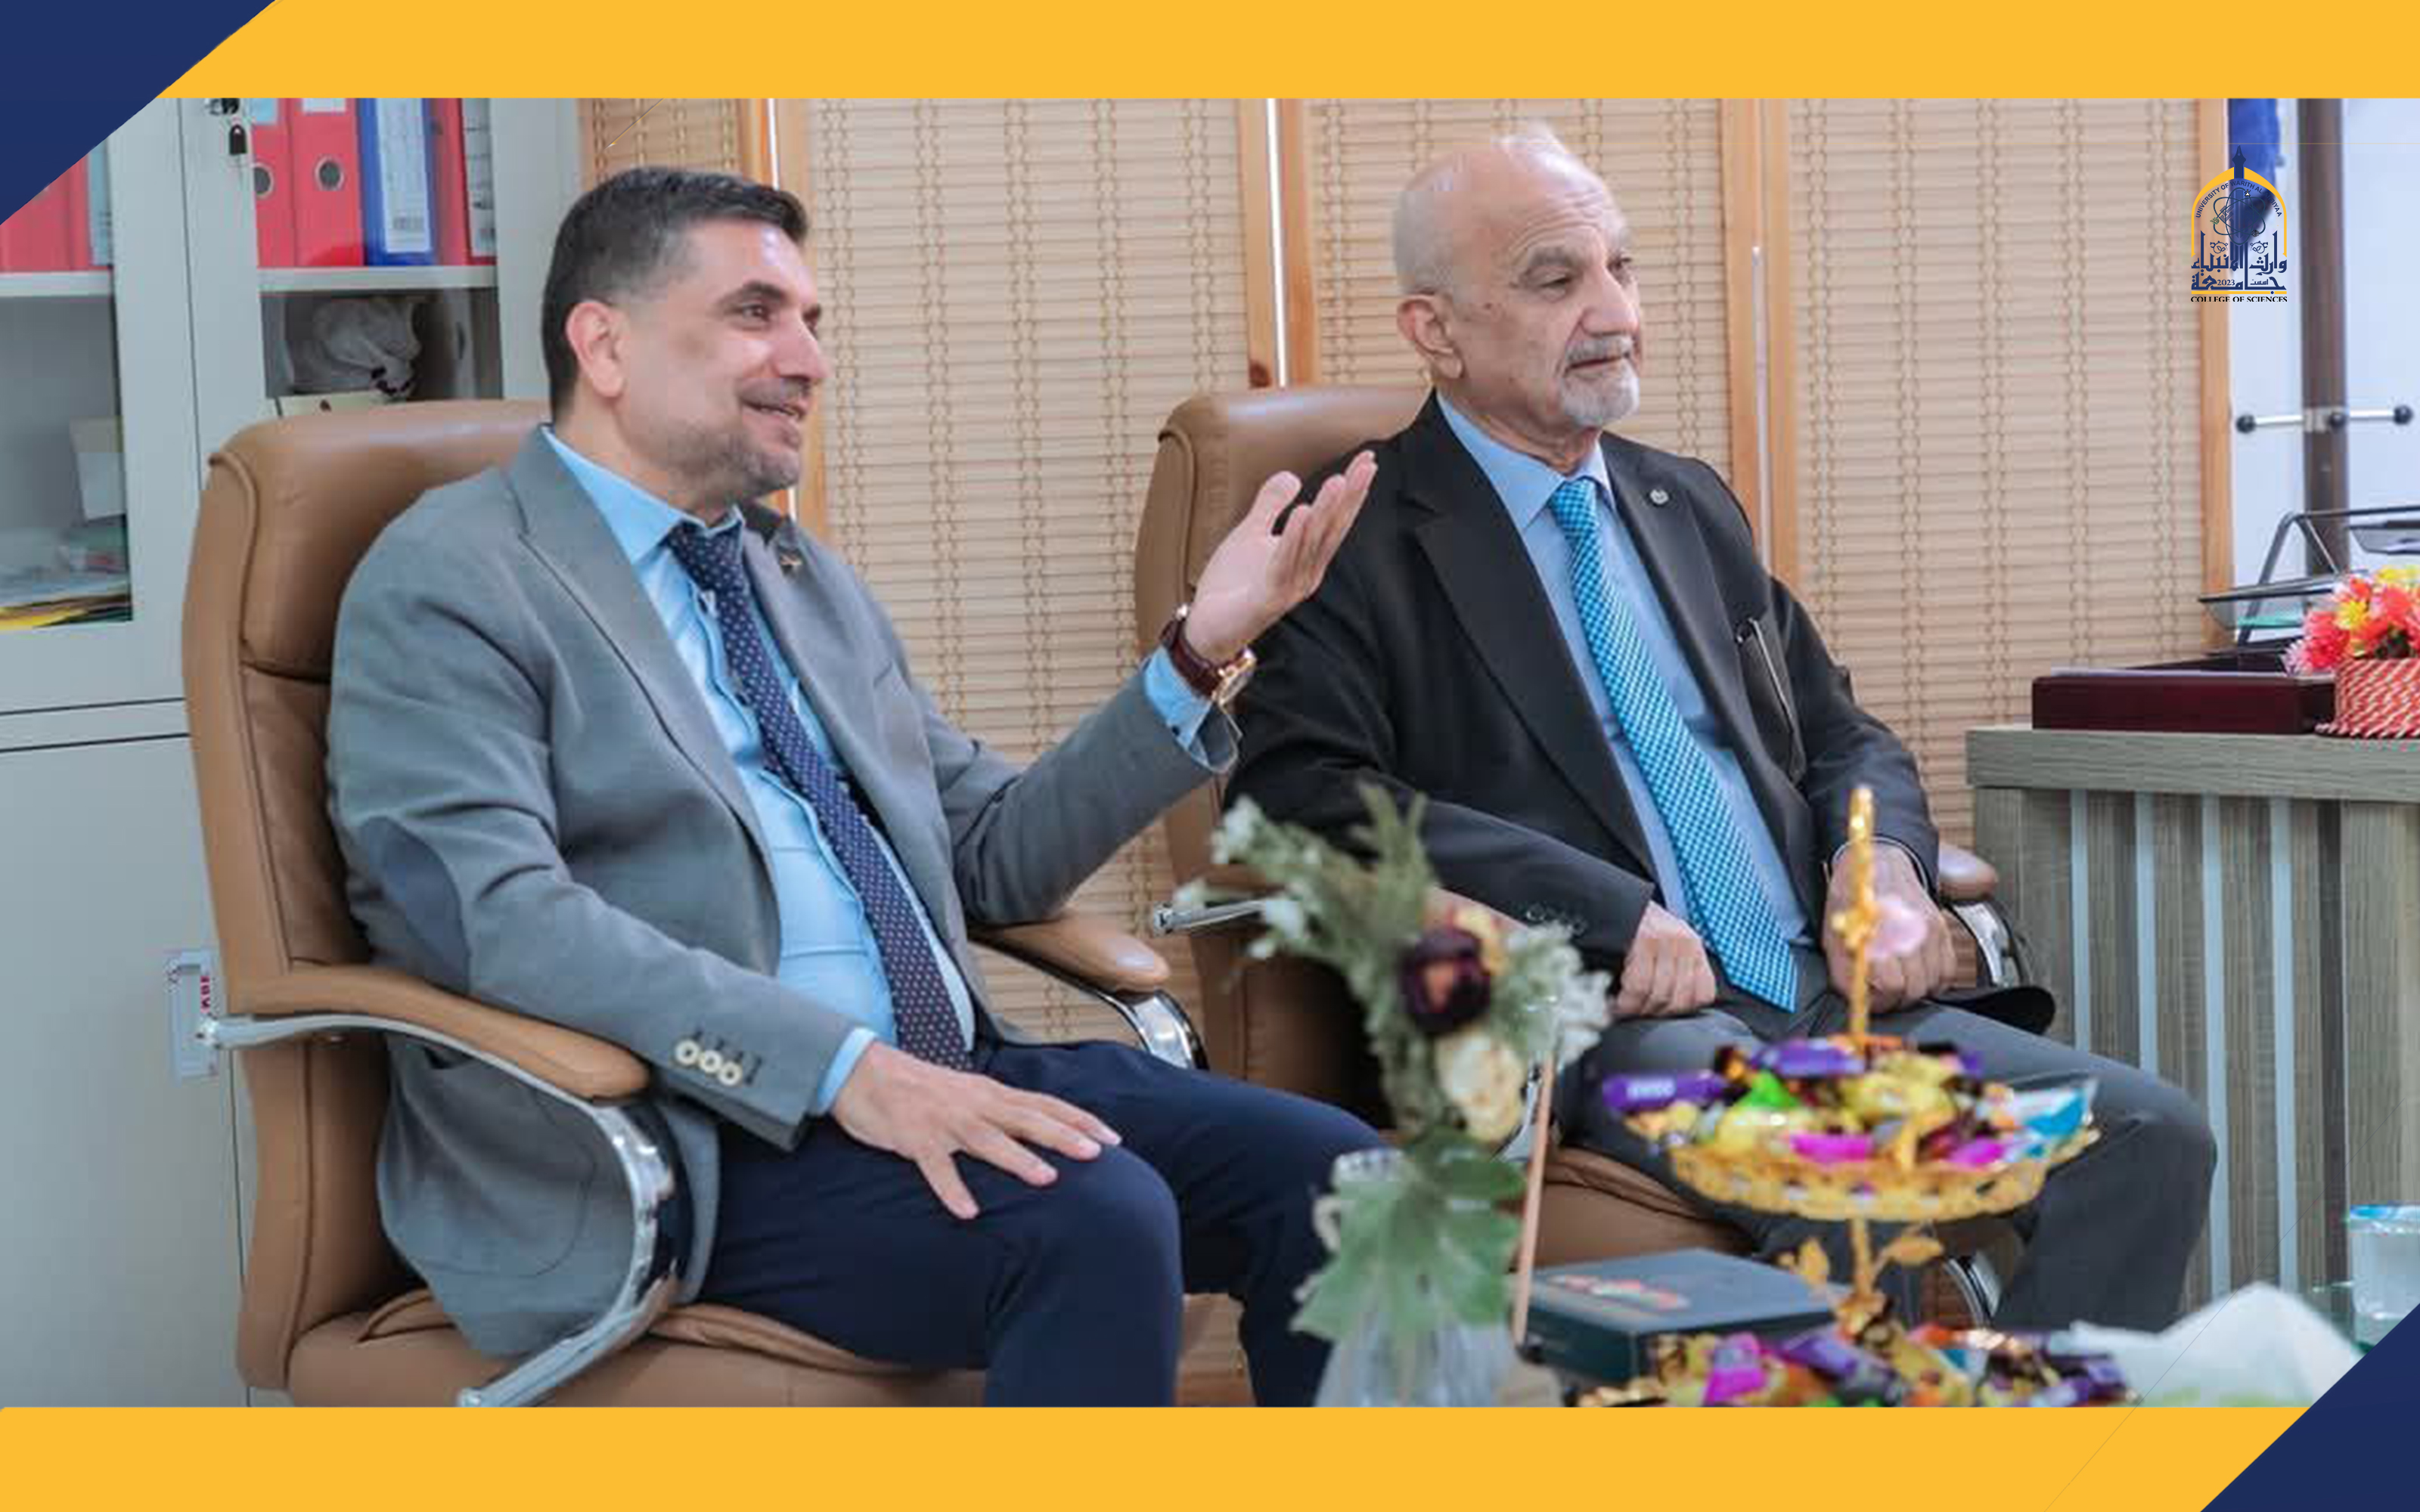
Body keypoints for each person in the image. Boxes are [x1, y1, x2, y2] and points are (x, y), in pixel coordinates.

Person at [326, 166, 1384, 1405]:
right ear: (604, 346)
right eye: (756, 314)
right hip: (692, 1131)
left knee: (1349, 1182)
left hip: (931, 1071)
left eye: (812, 322)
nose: (810, 360)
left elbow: (993, 857)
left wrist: (1199, 653)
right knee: (1093, 1220)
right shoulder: (454, 576)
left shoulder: (793, 575)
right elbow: (498, 917)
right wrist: (839, 1068)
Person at [1229, 129, 2215, 1331]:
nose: (1615, 313)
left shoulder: (1681, 500)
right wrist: (1600, 909)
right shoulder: (1354, 532)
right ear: (1435, 329)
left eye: (1623, 268)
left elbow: (1842, 733)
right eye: (1555, 279)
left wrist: (1880, 866)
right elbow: (1299, 795)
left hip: (1819, 991)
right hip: (1609, 1020)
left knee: (2149, 1134)